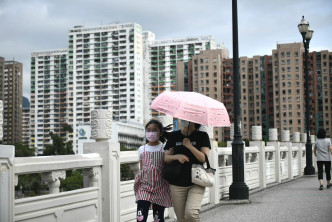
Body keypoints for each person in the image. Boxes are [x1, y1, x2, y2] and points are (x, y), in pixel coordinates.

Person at [164, 119, 211, 222]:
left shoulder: (202, 136)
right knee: (181, 218)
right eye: (182, 118)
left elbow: (204, 158)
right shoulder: (173, 136)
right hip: (176, 182)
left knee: (191, 214)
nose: (183, 120)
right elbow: (166, 158)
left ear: (194, 120)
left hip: (196, 181)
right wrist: (177, 156)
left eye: (187, 118)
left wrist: (190, 147)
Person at [134, 119, 172, 222]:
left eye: (154, 130)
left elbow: (169, 167)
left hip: (160, 187)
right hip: (144, 187)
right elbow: (142, 169)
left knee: (158, 219)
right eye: (148, 130)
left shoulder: (165, 148)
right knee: (140, 217)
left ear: (160, 132)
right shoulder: (142, 149)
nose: (151, 133)